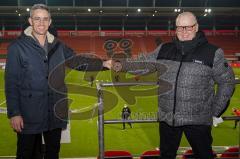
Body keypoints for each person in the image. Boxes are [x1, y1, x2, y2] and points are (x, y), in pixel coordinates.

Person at [114, 12, 235, 159]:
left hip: (197, 119)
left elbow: (227, 82)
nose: (183, 32)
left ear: (196, 27)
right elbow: (143, 64)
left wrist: (215, 112)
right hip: (168, 118)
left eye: (188, 27)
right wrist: (118, 65)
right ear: (175, 29)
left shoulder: (213, 52)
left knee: (204, 155)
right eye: (179, 28)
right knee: (166, 156)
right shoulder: (164, 49)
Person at [5, 4, 112, 159]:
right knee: (26, 153)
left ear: (50, 22)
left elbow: (77, 61)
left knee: (53, 152)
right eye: (37, 19)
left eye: (45, 19)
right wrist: (14, 113)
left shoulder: (59, 45)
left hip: (55, 110)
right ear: (30, 20)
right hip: (29, 112)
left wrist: (102, 63)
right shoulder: (17, 47)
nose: (41, 23)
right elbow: (11, 82)